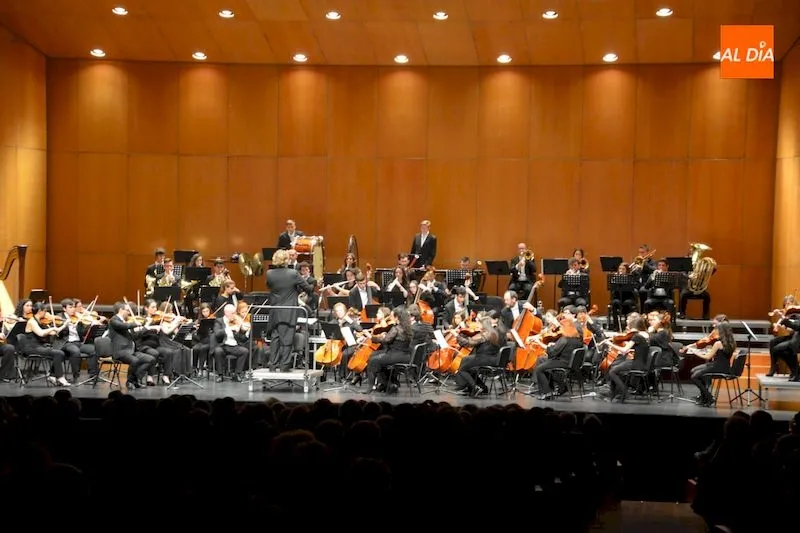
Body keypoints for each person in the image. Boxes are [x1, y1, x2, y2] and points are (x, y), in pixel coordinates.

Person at [266, 249, 313, 371]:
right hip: (289, 310)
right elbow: (308, 288)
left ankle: (272, 365)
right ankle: (284, 366)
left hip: (275, 310)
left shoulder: (269, 273)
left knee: (275, 338)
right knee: (287, 339)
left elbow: (271, 287)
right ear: (286, 260)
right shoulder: (292, 273)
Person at [529, 312, 584, 400]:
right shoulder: (577, 338)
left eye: (561, 327)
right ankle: (551, 388)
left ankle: (547, 393)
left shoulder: (564, 339)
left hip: (563, 363)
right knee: (542, 360)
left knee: (540, 369)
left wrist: (541, 343)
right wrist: (554, 345)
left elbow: (552, 353)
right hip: (571, 363)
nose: (560, 329)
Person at [684, 321, 737, 406]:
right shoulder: (732, 342)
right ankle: (704, 397)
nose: (715, 331)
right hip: (725, 367)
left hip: (717, 367)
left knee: (694, 376)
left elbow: (707, 357)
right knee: (694, 370)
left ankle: (709, 397)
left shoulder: (718, 343)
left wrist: (694, 351)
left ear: (721, 331)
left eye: (717, 329)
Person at [601, 313, 649, 402]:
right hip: (641, 361)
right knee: (616, 368)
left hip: (636, 363)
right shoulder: (644, 336)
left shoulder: (637, 336)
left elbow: (624, 350)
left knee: (612, 371)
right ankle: (615, 394)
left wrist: (611, 344)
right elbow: (631, 349)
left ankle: (624, 393)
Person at [452, 310, 503, 396]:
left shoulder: (485, 335)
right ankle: (481, 387)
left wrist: (457, 336)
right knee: (465, 360)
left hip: (485, 359)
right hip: (493, 358)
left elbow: (468, 344)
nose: (477, 325)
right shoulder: (493, 332)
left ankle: (475, 387)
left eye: (479, 324)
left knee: (462, 369)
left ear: (484, 325)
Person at [107, 301, 156, 389]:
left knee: (150, 359)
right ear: (121, 310)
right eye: (127, 310)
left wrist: (145, 328)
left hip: (131, 350)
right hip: (121, 352)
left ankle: (134, 378)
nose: (129, 312)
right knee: (135, 361)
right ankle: (130, 382)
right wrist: (136, 323)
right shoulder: (114, 320)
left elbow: (134, 336)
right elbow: (123, 326)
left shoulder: (127, 322)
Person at [364, 306, 412, 393]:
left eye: (392, 316)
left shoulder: (396, 328)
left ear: (397, 317)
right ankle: (387, 384)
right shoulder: (408, 328)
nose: (391, 317)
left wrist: (372, 337)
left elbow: (385, 341)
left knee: (373, 360)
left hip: (395, 355)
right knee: (376, 356)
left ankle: (370, 387)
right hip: (406, 356)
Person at [211, 304, 250, 382]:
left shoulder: (236, 321)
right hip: (222, 345)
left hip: (234, 345)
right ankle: (220, 375)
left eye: (234, 313)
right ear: (226, 313)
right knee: (218, 351)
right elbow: (218, 333)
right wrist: (230, 328)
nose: (234, 315)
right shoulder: (219, 321)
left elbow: (241, 339)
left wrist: (247, 332)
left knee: (244, 351)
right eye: (232, 313)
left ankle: (237, 374)